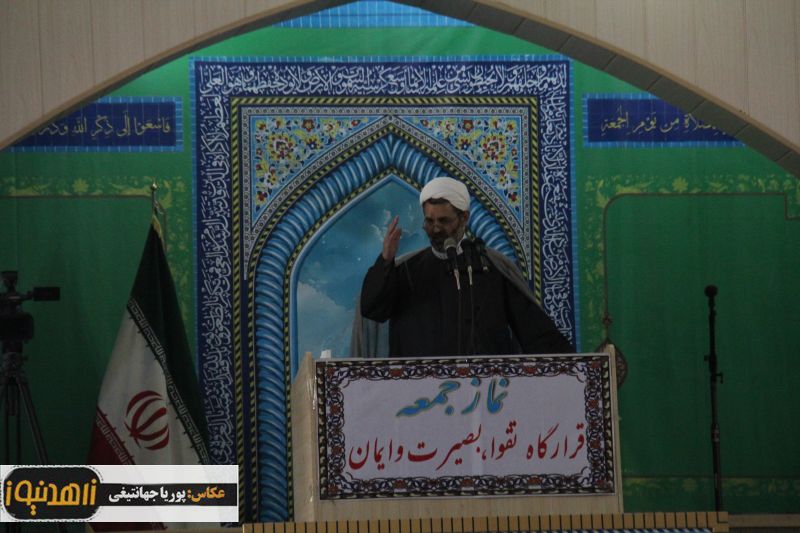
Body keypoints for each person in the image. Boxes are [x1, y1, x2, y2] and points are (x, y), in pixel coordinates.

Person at [355, 176, 573, 357]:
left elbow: (535, 331)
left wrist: (571, 370)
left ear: (464, 218)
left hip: (487, 388)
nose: (436, 229)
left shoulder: (492, 267)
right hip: (419, 390)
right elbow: (373, 310)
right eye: (429, 221)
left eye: (444, 221)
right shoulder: (407, 270)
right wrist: (386, 259)